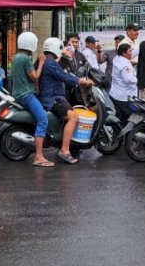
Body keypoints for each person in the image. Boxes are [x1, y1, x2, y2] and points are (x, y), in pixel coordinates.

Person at [37, 37, 95, 165]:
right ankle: (64, 150)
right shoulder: (50, 63)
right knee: (74, 117)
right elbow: (64, 76)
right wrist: (82, 81)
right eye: (60, 48)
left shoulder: (48, 60)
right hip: (52, 99)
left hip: (53, 96)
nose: (61, 50)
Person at [9, 31, 53, 167]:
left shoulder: (16, 57)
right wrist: (41, 62)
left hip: (17, 94)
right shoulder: (25, 59)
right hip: (26, 95)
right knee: (43, 119)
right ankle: (39, 156)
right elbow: (34, 76)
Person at [109, 43, 136, 121]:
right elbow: (128, 79)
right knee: (127, 118)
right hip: (123, 96)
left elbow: (135, 52)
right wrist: (139, 80)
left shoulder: (117, 58)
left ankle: (116, 132)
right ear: (124, 53)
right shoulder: (124, 65)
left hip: (116, 93)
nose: (132, 53)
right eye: (130, 51)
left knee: (119, 116)